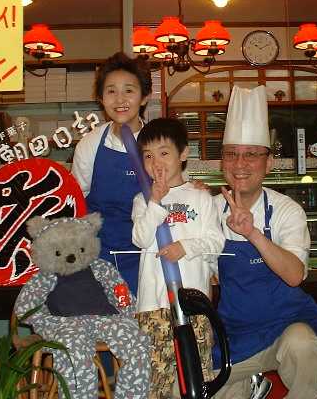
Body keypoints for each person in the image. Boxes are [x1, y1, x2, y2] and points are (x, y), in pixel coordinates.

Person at [212, 85, 317, 399]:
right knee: (194, 388)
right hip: (235, 333)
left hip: (286, 326)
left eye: (251, 154)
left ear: (269, 163)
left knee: (303, 345)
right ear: (222, 162)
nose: (240, 163)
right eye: (231, 154)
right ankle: (251, 385)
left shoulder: (286, 210)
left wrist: (252, 233)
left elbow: (295, 275)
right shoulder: (210, 209)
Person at [131, 118, 225, 398]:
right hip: (153, 306)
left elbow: (216, 242)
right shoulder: (142, 200)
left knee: (198, 378)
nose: (156, 162)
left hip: (194, 305)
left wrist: (185, 246)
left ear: (183, 154)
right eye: (148, 156)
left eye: (164, 153)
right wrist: (155, 202)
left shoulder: (201, 197)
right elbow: (140, 238)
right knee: (154, 383)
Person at [71, 52, 152, 297]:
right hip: (99, 255)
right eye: (111, 91)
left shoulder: (158, 142)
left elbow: (176, 194)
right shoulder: (90, 143)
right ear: (101, 98)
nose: (120, 99)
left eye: (129, 90)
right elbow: (75, 201)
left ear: (144, 97)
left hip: (148, 257)